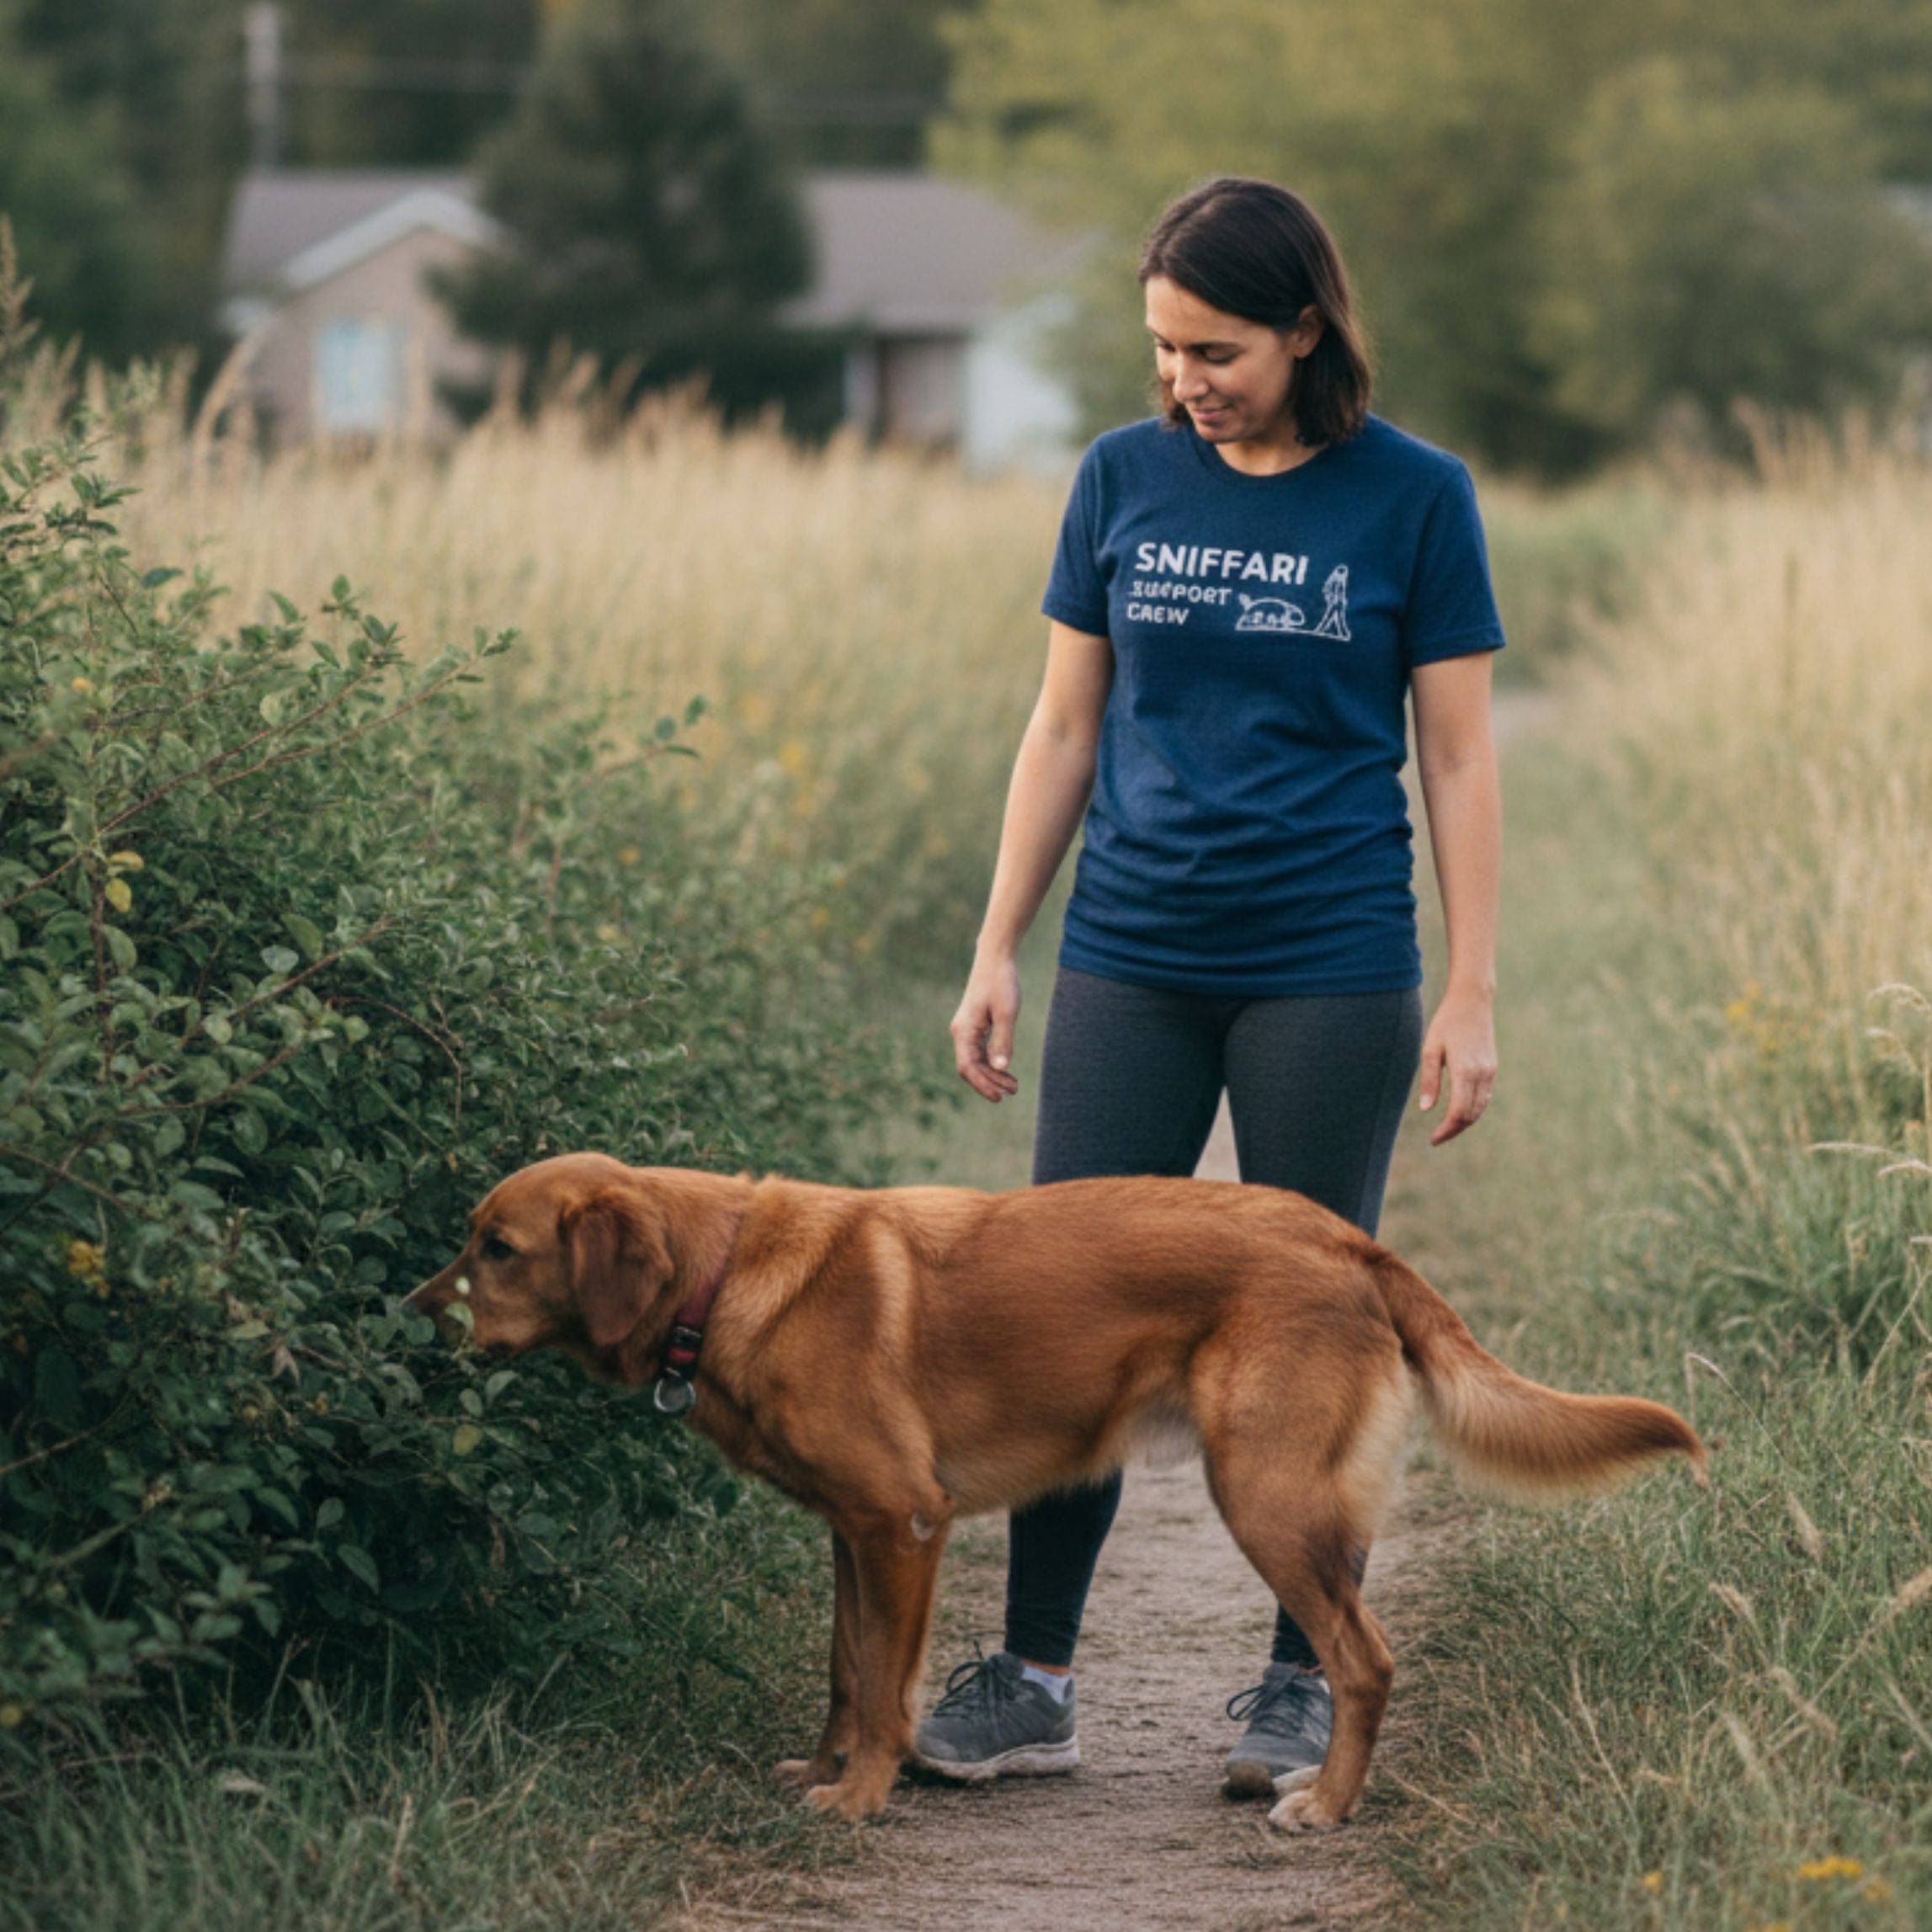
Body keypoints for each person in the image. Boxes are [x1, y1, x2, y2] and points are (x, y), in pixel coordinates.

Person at [911, 177, 1504, 1802]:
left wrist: (1471, 985)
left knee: (1311, 1335)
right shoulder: (1120, 479)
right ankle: (1033, 1676)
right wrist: (995, 944)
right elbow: (1062, 729)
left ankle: (1301, 1683)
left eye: (1220, 348)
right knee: (1060, 1320)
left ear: (1307, 329)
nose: (1186, 379)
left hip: (1327, 961)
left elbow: (1454, 755)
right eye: (1166, 347)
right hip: (1132, 955)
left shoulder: (1414, 498)